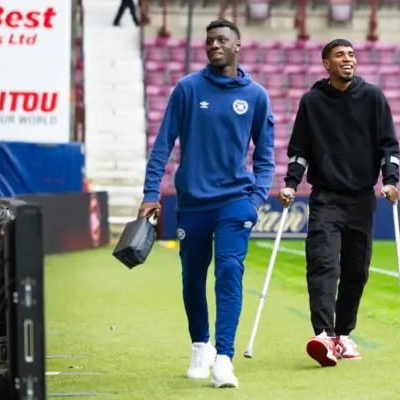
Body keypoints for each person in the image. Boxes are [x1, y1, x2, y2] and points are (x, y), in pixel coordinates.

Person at [138, 19, 275, 388]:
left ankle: (224, 359)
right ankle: (201, 345)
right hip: (193, 203)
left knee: (230, 272)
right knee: (193, 278)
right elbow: (163, 145)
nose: (214, 45)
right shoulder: (187, 89)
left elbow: (265, 156)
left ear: (238, 46)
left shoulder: (257, 96)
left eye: (222, 40)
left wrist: (257, 198)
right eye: (210, 40)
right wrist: (151, 193)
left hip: (234, 202)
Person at [278, 39, 400, 367]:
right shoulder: (312, 101)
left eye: (351, 55)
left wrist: (390, 181)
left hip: (362, 198)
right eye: (339, 56)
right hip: (325, 198)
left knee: (355, 270)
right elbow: (300, 151)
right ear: (326, 64)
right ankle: (323, 334)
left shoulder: (373, 97)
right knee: (322, 264)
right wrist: (290, 184)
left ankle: (343, 334)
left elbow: (389, 146)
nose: (347, 60)